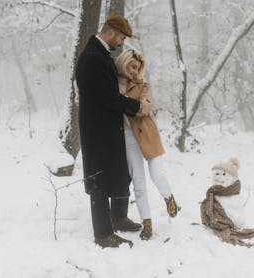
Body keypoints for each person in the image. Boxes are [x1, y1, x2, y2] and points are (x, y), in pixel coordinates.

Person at [75, 14, 152, 248]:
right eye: (121, 37)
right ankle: (103, 234)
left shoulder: (100, 55)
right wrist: (137, 107)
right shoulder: (93, 58)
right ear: (110, 33)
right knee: (98, 179)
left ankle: (118, 217)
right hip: (98, 130)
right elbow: (107, 97)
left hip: (107, 127)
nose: (122, 43)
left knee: (120, 171)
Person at [115, 49, 179, 240]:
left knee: (157, 174)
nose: (135, 71)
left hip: (148, 135)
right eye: (132, 66)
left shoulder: (142, 85)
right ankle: (147, 224)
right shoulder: (111, 84)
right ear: (124, 61)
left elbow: (144, 108)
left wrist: (135, 105)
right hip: (127, 137)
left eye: (137, 68)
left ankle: (169, 197)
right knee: (139, 182)